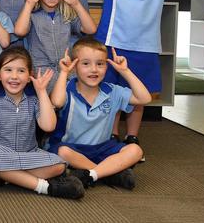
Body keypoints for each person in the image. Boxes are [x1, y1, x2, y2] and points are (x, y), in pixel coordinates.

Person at [81, 0, 196, 152]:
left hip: (145, 46)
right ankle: (111, 134)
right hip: (112, 44)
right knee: (111, 93)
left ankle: (132, 136)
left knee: (139, 96)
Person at [0, 48, 85, 199]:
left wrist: (41, 91)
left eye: (21, 71)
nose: (14, 76)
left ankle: (3, 177)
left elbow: (48, 126)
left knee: (59, 165)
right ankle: (45, 187)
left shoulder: (34, 99)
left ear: (29, 75)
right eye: (8, 70)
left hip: (28, 153)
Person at [47, 37, 152, 190]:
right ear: (75, 67)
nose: (94, 69)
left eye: (100, 64)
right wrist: (63, 72)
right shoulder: (67, 88)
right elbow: (56, 101)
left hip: (103, 148)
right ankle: (110, 172)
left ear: (106, 66)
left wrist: (125, 71)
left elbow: (145, 98)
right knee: (62, 152)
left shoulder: (112, 91)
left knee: (135, 150)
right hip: (72, 148)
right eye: (85, 64)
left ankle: (92, 174)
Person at [14, 0, 97, 92]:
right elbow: (20, 31)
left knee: (71, 100)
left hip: (67, 68)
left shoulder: (66, 14)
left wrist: (76, 4)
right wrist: (29, 4)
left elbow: (90, 29)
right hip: (42, 73)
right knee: (52, 104)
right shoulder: (32, 14)